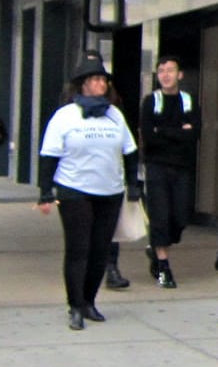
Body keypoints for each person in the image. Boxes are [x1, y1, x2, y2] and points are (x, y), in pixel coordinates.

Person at [37, 56, 142, 331]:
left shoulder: (115, 115)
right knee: (78, 249)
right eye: (95, 79)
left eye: (103, 80)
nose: (100, 84)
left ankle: (89, 301)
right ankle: (74, 305)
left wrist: (133, 183)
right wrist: (45, 191)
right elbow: (48, 155)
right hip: (74, 190)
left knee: (100, 250)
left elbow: (130, 151)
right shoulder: (65, 116)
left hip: (109, 191)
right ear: (83, 85)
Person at [140, 55, 202, 289]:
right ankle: (163, 266)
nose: (166, 75)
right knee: (160, 216)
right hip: (156, 167)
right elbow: (149, 136)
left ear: (180, 74)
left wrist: (163, 131)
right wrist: (178, 131)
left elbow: (194, 135)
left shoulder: (189, 101)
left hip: (182, 168)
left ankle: (157, 246)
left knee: (180, 217)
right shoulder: (151, 101)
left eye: (170, 70)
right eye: (162, 70)